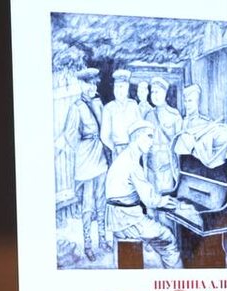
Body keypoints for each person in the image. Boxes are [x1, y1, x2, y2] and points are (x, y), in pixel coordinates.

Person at [105, 120, 182, 268]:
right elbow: (150, 200)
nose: (152, 142)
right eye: (149, 136)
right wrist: (167, 201)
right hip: (128, 220)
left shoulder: (124, 157)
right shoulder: (132, 164)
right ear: (137, 137)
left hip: (119, 218)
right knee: (168, 239)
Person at [58, 67, 109, 261]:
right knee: (88, 204)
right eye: (88, 84)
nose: (92, 87)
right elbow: (70, 135)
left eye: (94, 84)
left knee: (101, 200)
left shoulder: (98, 103)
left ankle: (103, 240)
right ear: (81, 84)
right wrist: (82, 147)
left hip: (100, 157)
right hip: (86, 159)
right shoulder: (76, 107)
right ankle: (88, 245)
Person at [143, 76, 183, 196]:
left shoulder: (175, 116)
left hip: (167, 168)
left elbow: (180, 146)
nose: (154, 95)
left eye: (158, 92)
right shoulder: (148, 116)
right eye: (152, 92)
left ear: (165, 93)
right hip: (151, 167)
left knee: (166, 200)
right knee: (151, 200)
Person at [100, 68, 141, 158]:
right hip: (117, 150)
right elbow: (104, 136)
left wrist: (135, 146)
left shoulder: (133, 105)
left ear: (127, 88)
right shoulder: (108, 108)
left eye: (121, 87)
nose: (118, 90)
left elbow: (140, 128)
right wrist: (114, 149)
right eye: (116, 87)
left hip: (133, 149)